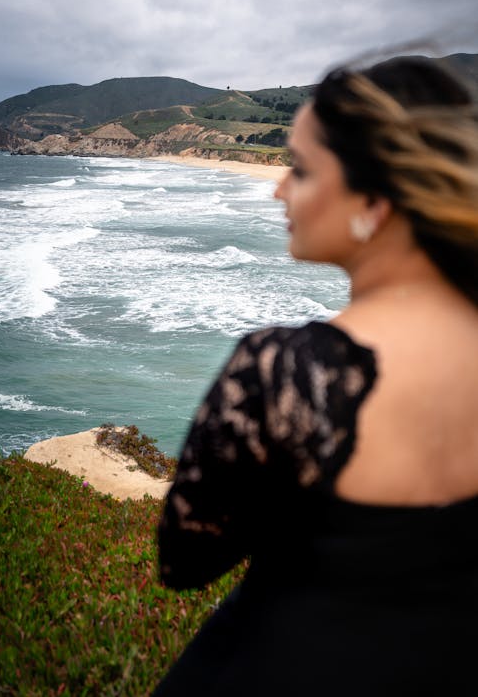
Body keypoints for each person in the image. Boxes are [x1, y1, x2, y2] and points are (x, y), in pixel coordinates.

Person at [151, 56, 478, 696]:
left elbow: (184, 561)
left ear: (376, 200)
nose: (278, 189)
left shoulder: (291, 374)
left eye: (299, 169)